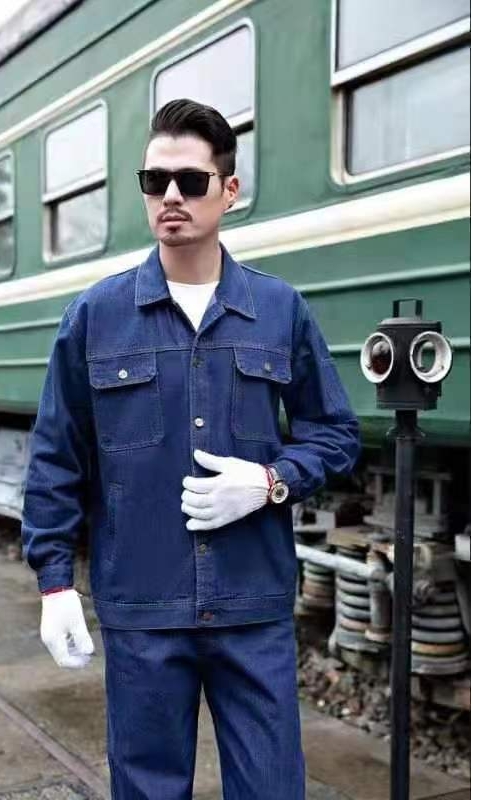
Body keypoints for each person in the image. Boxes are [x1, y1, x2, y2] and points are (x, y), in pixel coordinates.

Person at [21, 98, 361, 799]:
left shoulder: (279, 310)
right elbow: (57, 457)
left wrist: (270, 480)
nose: (170, 196)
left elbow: (335, 434)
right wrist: (54, 583)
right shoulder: (96, 317)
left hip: (252, 606)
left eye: (191, 181)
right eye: (155, 181)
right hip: (142, 610)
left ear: (229, 190)